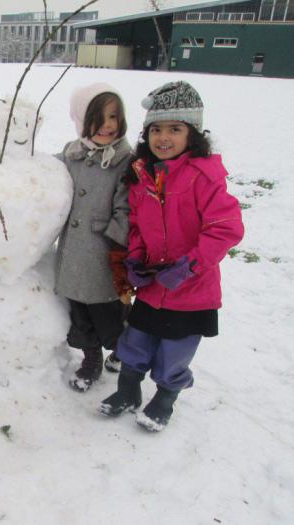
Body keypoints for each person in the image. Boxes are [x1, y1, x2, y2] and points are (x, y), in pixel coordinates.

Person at [98, 81, 244, 431]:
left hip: (191, 290)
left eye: (175, 129)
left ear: (192, 133)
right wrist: (134, 259)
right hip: (152, 286)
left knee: (174, 351)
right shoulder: (143, 176)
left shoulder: (203, 177)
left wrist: (189, 266)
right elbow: (136, 225)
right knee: (135, 340)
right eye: (156, 129)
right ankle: (128, 390)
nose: (164, 138)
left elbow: (226, 228)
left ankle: (165, 398)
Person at [55, 83, 132, 392]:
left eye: (113, 116)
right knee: (80, 314)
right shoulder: (72, 154)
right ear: (80, 119)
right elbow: (46, 173)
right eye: (96, 117)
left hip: (104, 257)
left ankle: (122, 349)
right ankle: (91, 360)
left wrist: (116, 242)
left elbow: (126, 207)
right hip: (73, 255)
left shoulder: (125, 160)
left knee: (108, 315)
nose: (106, 125)